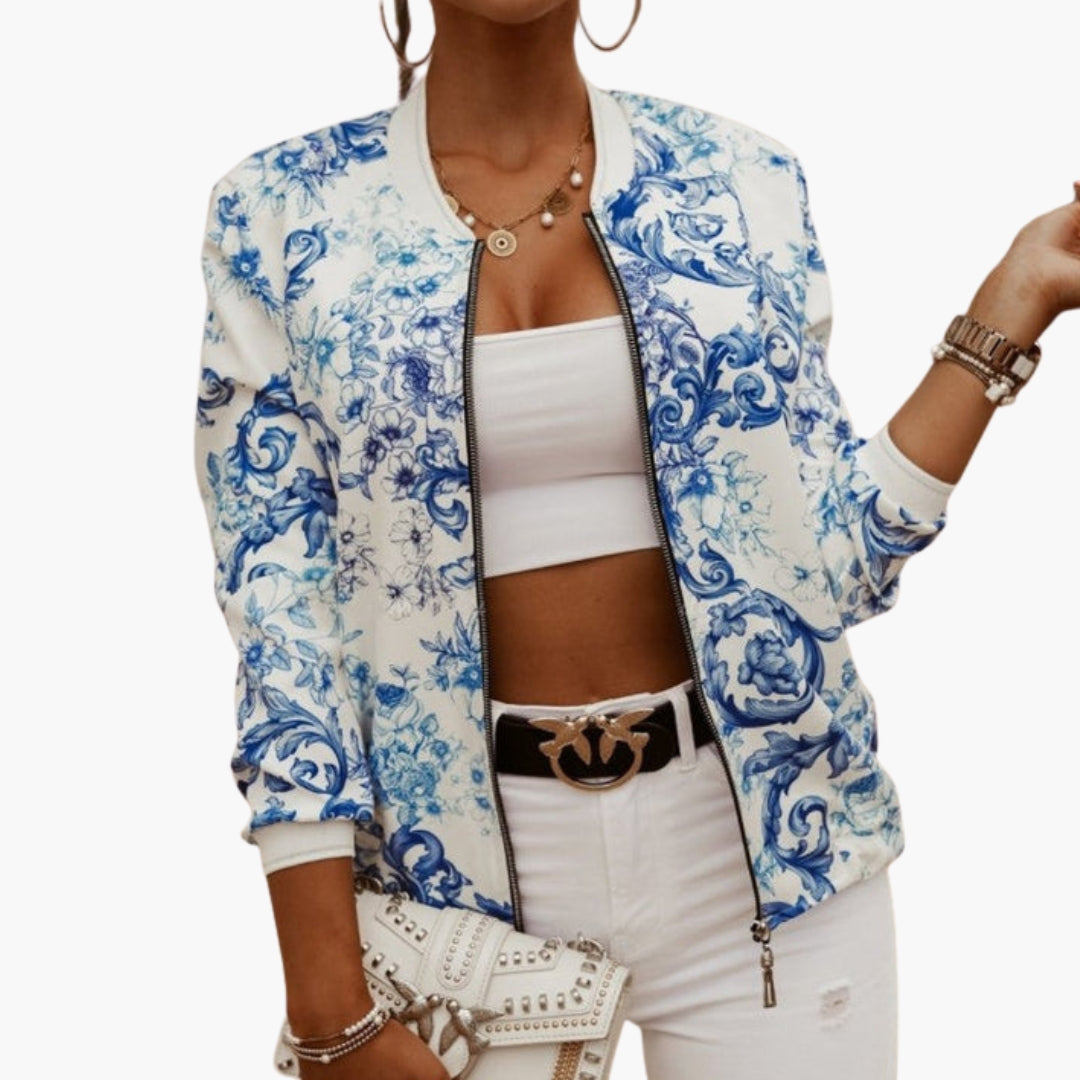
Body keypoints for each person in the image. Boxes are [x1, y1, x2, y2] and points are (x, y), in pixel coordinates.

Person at [193, 2, 1080, 1077]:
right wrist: (327, 1004)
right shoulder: (281, 216)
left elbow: (828, 566)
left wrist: (1015, 301)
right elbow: (281, 614)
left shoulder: (737, 181)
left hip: (769, 862)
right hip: (457, 906)